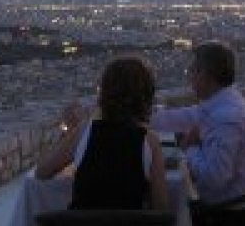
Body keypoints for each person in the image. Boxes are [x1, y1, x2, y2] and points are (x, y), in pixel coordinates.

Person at [35, 55, 170, 210]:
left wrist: (67, 135)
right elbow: (162, 207)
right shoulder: (149, 141)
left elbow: (42, 172)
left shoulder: (85, 132)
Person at [151, 40, 245, 206]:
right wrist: (151, 119)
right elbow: (191, 115)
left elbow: (215, 179)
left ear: (205, 75)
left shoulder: (226, 117)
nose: (189, 76)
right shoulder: (226, 102)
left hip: (236, 208)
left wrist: (191, 148)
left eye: (192, 70)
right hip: (244, 195)